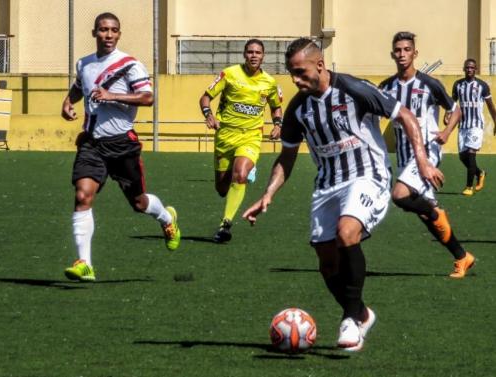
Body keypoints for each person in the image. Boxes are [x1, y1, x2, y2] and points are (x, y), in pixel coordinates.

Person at [242, 38, 443, 351]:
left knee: (346, 232)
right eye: (291, 73)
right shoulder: (298, 108)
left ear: (320, 65)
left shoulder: (353, 89)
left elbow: (404, 114)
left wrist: (421, 158)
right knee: (326, 262)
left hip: (368, 175)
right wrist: (268, 194)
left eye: (300, 72)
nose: (295, 79)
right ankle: (362, 313)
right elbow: (287, 156)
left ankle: (350, 318)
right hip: (327, 184)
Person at [60, 12, 181, 282]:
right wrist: (68, 101)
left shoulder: (130, 65)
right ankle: (84, 263)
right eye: (103, 30)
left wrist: (111, 94)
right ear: (94, 33)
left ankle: (166, 219)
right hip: (92, 143)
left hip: (122, 144)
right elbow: (80, 86)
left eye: (113, 30)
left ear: (119, 34)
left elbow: (148, 98)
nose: (108, 35)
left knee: (139, 203)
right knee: (82, 196)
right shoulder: (85, 63)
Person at [379, 32, 474, 278]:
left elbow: (456, 110)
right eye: (398, 50)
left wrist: (446, 132)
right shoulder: (386, 87)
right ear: (392, 54)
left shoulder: (429, 84)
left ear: (415, 54)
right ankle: (462, 257)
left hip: (428, 151)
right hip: (403, 155)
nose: (402, 54)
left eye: (406, 49)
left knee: (400, 195)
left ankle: (435, 212)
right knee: (426, 214)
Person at [199, 39, 283, 243]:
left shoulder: (270, 82)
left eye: (258, 52)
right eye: (250, 52)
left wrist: (278, 124)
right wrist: (208, 114)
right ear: (244, 54)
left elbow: (276, 107)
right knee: (221, 188)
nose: (254, 55)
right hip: (225, 136)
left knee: (240, 174)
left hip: (251, 135)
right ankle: (239, 172)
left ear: (263, 56)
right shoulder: (229, 74)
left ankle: (225, 224)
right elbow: (205, 97)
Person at [450, 58, 496, 196]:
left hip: (476, 125)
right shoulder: (457, 85)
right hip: (463, 125)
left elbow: (491, 106)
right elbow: (452, 104)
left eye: (472, 68)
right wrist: (448, 114)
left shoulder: (482, 86)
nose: (469, 70)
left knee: (471, 153)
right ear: (464, 69)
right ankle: (480, 173)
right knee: (462, 156)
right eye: (467, 67)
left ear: (475, 70)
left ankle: (469, 186)